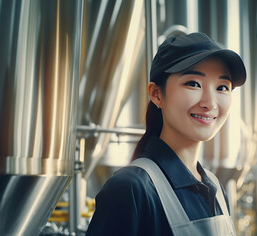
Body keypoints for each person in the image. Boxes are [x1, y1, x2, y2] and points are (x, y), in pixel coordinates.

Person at [86, 32, 246, 235]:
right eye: (193, 83)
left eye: (222, 87)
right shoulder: (130, 188)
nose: (210, 103)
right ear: (156, 94)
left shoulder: (216, 188)